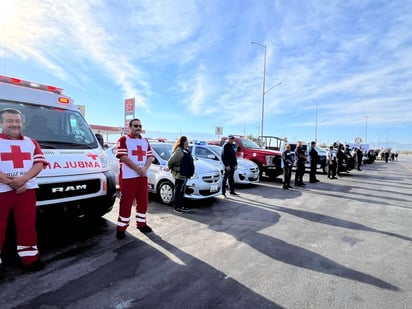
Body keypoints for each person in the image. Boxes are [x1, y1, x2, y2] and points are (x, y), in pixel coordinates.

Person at [0, 108, 48, 271]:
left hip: (27, 190)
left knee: (27, 224)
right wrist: (11, 182)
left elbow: (39, 163)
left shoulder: (31, 142)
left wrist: (24, 180)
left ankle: (29, 258)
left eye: (17, 121)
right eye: (9, 121)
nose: (14, 124)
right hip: (2, 191)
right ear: (1, 123)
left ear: (22, 123)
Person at [115, 118, 153, 239]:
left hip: (142, 176)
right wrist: (138, 169)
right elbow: (123, 157)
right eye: (135, 126)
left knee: (143, 202)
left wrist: (144, 169)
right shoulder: (123, 139)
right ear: (130, 127)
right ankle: (121, 228)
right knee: (126, 203)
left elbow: (150, 157)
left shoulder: (145, 141)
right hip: (128, 177)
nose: (138, 128)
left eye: (139, 126)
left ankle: (142, 224)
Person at [167, 136, 194, 213]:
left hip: (185, 174)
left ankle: (181, 206)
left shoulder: (185, 150)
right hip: (179, 174)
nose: (188, 142)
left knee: (182, 191)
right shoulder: (179, 151)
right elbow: (170, 161)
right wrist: (169, 167)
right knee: (178, 191)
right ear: (183, 142)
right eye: (187, 140)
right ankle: (176, 207)